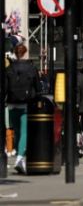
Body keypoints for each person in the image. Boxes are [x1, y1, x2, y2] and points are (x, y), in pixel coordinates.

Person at [6, 43, 40, 174]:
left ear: (15, 52)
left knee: (17, 131)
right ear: (25, 53)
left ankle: (21, 158)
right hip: (27, 103)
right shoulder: (31, 68)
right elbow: (38, 87)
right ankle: (20, 158)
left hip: (12, 103)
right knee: (25, 132)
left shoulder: (9, 68)